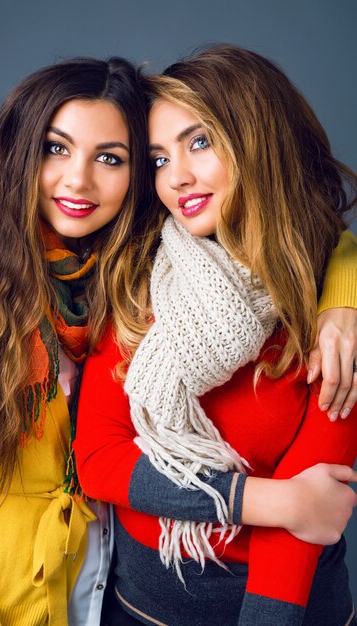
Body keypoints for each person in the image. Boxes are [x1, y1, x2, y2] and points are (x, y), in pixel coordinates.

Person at [75, 45, 357, 626]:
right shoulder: (138, 279)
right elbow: (99, 459)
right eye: (157, 159)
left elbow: (314, 513)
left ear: (258, 142)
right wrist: (259, 501)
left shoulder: (330, 312)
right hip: (138, 607)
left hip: (293, 610)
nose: (176, 178)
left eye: (199, 142)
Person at [0, 56, 161, 626]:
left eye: (109, 159)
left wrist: (344, 298)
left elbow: (292, 234)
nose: (78, 180)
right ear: (20, 153)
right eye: (55, 148)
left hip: (121, 587)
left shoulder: (143, 276)